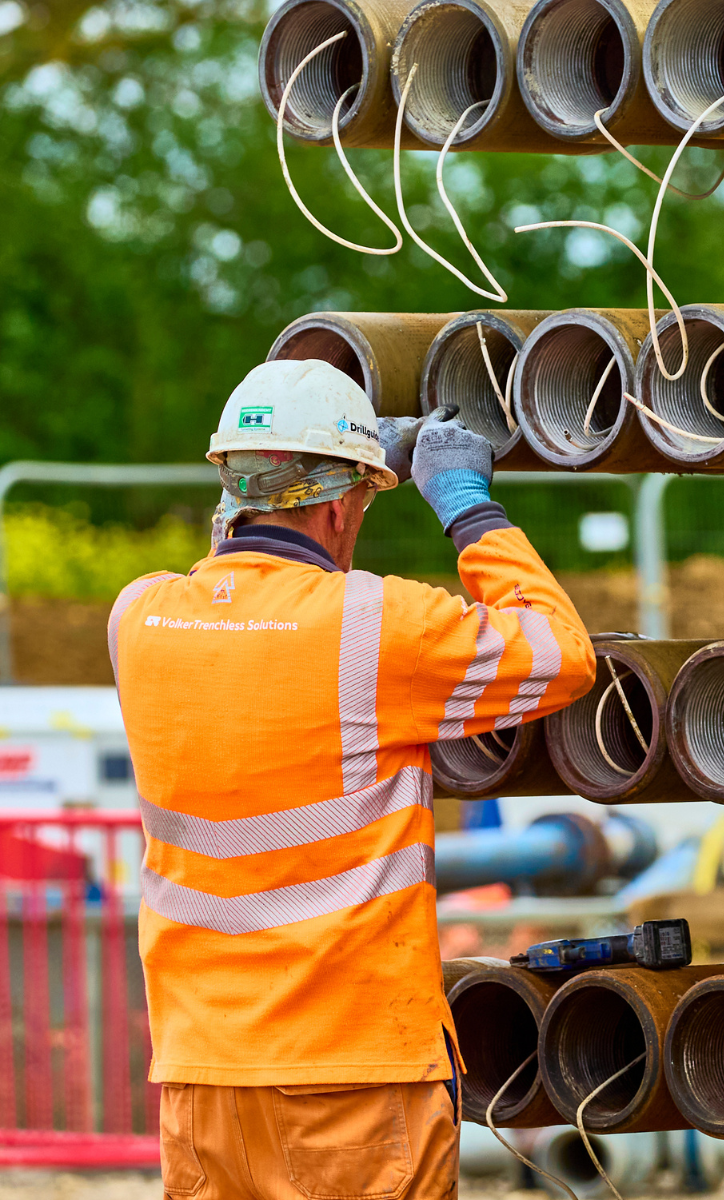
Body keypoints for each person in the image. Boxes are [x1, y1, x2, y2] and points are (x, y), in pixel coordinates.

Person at [108, 358, 596, 1198]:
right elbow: (560, 653)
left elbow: (236, 589)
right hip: (353, 1076)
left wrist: (345, 462)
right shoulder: (376, 627)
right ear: (341, 506)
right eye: (360, 504)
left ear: (233, 484)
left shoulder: (140, 617)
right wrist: (465, 504)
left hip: (201, 1077)